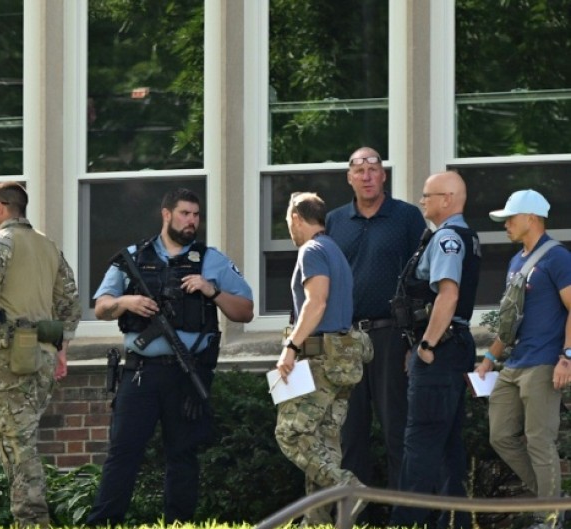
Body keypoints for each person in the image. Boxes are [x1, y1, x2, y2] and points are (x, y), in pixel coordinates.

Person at [86, 188, 254, 525]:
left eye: (196, 215)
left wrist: (213, 290)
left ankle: (179, 524)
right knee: (123, 453)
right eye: (185, 214)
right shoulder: (133, 256)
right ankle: (103, 523)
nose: (192, 221)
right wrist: (126, 303)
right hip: (140, 374)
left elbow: (246, 311)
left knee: (182, 456)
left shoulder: (211, 260)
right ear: (167, 215)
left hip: (186, 375)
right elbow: (101, 306)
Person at [0, 181, 81, 528]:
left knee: (16, 444)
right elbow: (69, 304)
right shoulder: (48, 246)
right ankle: (29, 515)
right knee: (12, 439)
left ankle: (34, 521)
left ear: (2, 207)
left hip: (14, 356)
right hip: (44, 355)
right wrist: (61, 351)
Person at [325, 147, 426, 498]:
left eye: (373, 168)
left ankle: (406, 516)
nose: (366, 176)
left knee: (397, 430)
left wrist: (417, 342)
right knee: (349, 435)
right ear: (349, 177)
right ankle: (355, 517)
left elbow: (424, 282)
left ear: (384, 175)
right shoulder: (334, 221)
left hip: (392, 336)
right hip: (345, 339)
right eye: (359, 169)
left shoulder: (407, 217)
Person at [475, 189, 571, 529]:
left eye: (510, 218)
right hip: (514, 365)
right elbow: (509, 322)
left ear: (531, 218)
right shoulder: (517, 261)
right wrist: (488, 359)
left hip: (545, 363)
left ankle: (548, 519)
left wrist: (567, 357)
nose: (506, 225)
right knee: (500, 436)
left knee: (539, 440)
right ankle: (555, 501)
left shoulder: (557, 258)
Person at [390, 171, 481, 529]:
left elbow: (448, 294)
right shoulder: (461, 236)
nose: (422, 202)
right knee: (446, 445)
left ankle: (406, 523)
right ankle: (451, 522)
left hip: (441, 350)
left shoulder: (447, 238)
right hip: (450, 347)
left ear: (447, 199)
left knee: (422, 442)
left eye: (427, 196)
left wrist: (426, 344)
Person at [275, 192, 364, 526]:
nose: (290, 229)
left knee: (292, 434)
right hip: (343, 359)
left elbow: (316, 302)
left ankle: (346, 487)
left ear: (296, 217)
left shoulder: (311, 250)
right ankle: (319, 521)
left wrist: (291, 347)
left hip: (318, 359)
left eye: (288, 223)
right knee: (323, 442)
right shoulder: (335, 251)